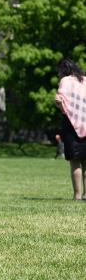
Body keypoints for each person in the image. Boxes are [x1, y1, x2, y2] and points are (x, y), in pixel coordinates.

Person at [54, 58, 86, 200]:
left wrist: (59, 104)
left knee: (75, 161)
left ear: (63, 70)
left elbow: (61, 102)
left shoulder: (65, 81)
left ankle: (77, 195)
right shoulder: (84, 80)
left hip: (71, 125)